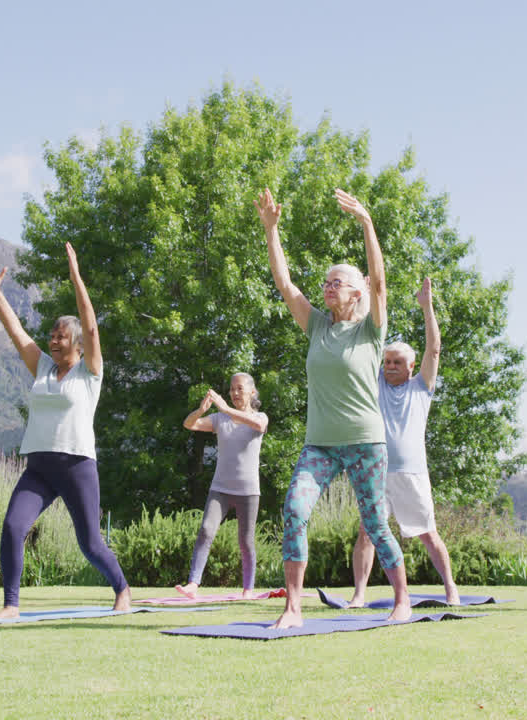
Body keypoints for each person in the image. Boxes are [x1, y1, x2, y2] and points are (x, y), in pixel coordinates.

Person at [256, 187, 412, 629]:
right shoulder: (317, 326)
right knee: (294, 509)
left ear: (357, 291)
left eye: (337, 282)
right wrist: (271, 230)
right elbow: (285, 284)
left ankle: (402, 600)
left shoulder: (371, 330)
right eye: (325, 282)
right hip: (320, 446)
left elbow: (380, 282)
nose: (328, 287)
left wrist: (367, 222)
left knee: (375, 524)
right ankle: (293, 608)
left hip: (365, 444)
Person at [0, 243, 130, 618]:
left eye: (61, 337)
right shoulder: (43, 367)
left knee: (90, 544)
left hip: (77, 466)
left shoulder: (90, 373)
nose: (53, 341)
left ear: (77, 344)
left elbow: (90, 325)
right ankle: (11, 605)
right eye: (52, 335)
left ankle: (122, 590)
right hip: (39, 468)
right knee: (13, 527)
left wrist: (76, 277)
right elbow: (16, 332)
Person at [348, 277, 461, 607]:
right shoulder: (377, 384)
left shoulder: (421, 387)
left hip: (412, 473)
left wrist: (427, 307)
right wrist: (364, 298)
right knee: (367, 532)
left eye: (397, 362)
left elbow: (434, 349)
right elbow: (365, 342)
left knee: (427, 533)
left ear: (411, 366)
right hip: (376, 472)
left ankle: (451, 589)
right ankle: (358, 595)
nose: (391, 366)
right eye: (387, 362)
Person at [176, 373, 269, 599]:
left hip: (248, 491)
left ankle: (248, 589)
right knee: (206, 530)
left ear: (252, 392)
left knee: (245, 541)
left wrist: (225, 408)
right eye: (231, 389)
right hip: (220, 489)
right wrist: (201, 409)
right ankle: (193, 584)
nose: (234, 393)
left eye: (239, 389)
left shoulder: (260, 417)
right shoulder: (220, 419)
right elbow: (189, 424)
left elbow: (259, 425)